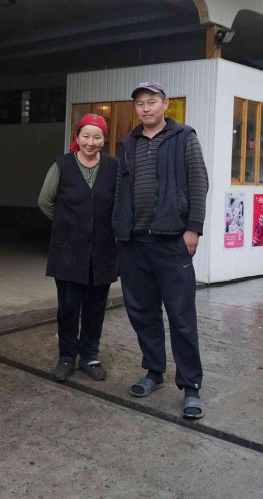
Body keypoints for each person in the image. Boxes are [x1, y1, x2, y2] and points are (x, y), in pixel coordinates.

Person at [112, 81, 209, 419]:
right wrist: (118, 229)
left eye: (151, 102)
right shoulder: (128, 142)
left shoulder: (184, 137)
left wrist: (193, 227)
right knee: (142, 312)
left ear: (165, 104)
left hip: (171, 241)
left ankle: (191, 386)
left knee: (181, 316)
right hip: (135, 242)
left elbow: (199, 182)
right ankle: (154, 372)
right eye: (140, 104)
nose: (146, 108)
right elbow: (121, 190)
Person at [37, 113, 119, 382]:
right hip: (68, 251)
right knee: (69, 307)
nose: (90, 142)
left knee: (96, 307)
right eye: (86, 136)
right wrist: (70, 226)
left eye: (97, 137)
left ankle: (90, 357)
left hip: (103, 251)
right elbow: (45, 202)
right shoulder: (62, 165)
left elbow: (119, 205)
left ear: (104, 139)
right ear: (77, 137)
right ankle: (66, 356)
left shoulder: (113, 167)